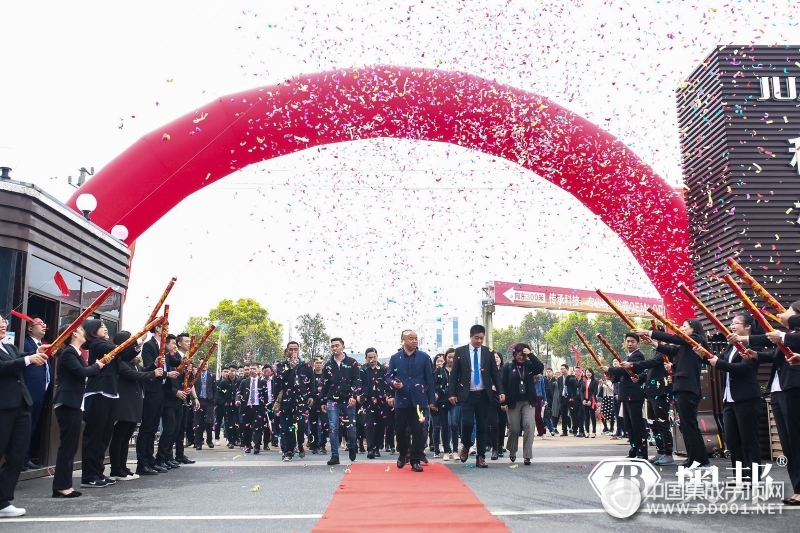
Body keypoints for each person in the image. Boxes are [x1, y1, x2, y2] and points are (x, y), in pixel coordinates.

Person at [740, 308, 800, 504]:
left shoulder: (792, 336)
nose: (782, 314)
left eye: (789, 311)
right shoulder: (788, 337)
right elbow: (774, 354)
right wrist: (755, 355)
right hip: (778, 390)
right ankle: (798, 488)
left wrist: (782, 334)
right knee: (789, 443)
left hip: (793, 389)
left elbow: (778, 338)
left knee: (796, 440)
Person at [633, 320, 711, 470]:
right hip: (682, 387)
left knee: (690, 426)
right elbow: (671, 349)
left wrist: (648, 332)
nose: (681, 328)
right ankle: (699, 460)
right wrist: (654, 344)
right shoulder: (686, 345)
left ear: (694, 329)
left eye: (684, 326)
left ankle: (698, 461)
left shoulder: (695, 339)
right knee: (688, 426)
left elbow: (675, 340)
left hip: (688, 388)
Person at [703, 312, 766, 484]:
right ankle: (739, 475)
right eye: (731, 323)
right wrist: (703, 353)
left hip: (746, 398)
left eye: (736, 323)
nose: (732, 326)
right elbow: (717, 360)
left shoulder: (754, 346)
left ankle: (753, 477)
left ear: (748, 327)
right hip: (729, 399)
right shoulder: (731, 346)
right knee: (733, 440)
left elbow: (743, 368)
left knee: (748, 440)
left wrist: (719, 363)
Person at [0, 317, 48, 517]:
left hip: (21, 405)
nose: (3, 324)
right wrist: (29, 359)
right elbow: (6, 366)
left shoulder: (9, 347)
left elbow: (20, 356)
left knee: (17, 454)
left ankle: (3, 501)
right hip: (3, 406)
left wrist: (37, 353)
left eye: (3, 321)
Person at [51, 325, 104, 497]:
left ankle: (64, 485)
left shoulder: (75, 353)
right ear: (74, 333)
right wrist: (98, 366)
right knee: (67, 447)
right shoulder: (68, 353)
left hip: (73, 403)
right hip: (67, 403)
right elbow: (82, 372)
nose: (84, 334)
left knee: (71, 446)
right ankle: (61, 486)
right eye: (81, 330)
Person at [448, 325, 505, 468]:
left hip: (484, 395)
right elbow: (454, 374)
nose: (479, 341)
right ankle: (466, 445)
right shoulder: (460, 351)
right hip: (467, 395)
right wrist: (452, 393)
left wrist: (500, 390)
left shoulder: (488, 352)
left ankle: (481, 457)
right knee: (466, 423)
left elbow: (495, 374)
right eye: (476, 338)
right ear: (471, 336)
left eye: (481, 338)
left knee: (482, 426)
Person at [109, 332, 161, 480]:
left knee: (126, 437)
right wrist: (153, 374)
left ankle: (122, 467)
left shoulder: (133, 361)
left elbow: (141, 371)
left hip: (134, 403)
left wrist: (153, 366)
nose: (133, 345)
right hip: (124, 403)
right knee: (119, 436)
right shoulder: (120, 360)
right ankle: (115, 468)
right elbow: (132, 375)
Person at [81, 319, 122, 488]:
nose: (105, 329)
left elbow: (124, 354)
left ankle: (98, 472)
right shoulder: (97, 344)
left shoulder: (106, 345)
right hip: (98, 392)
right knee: (95, 436)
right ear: (92, 331)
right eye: (102, 327)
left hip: (110, 392)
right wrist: (135, 341)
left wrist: (137, 345)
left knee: (104, 437)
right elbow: (118, 349)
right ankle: (89, 475)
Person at [386, 330, 435, 472]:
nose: (414, 341)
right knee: (400, 430)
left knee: (419, 430)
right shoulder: (395, 358)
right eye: (411, 339)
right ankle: (402, 453)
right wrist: (393, 383)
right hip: (401, 399)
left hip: (419, 400)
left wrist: (431, 399)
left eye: (416, 339)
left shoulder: (424, 357)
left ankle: (415, 459)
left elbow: (429, 380)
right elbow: (388, 376)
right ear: (403, 340)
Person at [603, 333, 647, 459]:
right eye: (628, 341)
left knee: (637, 425)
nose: (629, 344)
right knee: (629, 426)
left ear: (638, 343)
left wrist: (610, 369)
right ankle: (634, 450)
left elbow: (626, 371)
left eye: (632, 341)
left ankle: (642, 452)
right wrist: (612, 377)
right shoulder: (626, 356)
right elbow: (623, 375)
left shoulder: (638, 355)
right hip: (625, 395)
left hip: (634, 395)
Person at [136, 322, 170, 476]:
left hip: (161, 389)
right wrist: (156, 365)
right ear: (157, 328)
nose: (167, 330)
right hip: (151, 390)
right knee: (147, 427)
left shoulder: (163, 346)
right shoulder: (149, 345)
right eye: (165, 326)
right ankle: (142, 463)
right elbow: (149, 367)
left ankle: (150, 460)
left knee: (154, 427)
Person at [501, 343, 544, 465]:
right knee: (514, 428)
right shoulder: (508, 366)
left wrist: (530, 355)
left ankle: (527, 455)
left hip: (528, 401)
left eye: (524, 355)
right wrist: (503, 402)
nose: (521, 357)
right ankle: (512, 450)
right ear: (515, 354)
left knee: (529, 426)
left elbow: (540, 367)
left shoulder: (529, 365)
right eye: (519, 354)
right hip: (513, 401)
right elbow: (502, 384)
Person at [321, 337, 361, 465]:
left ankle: (351, 444)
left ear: (343, 347)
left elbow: (357, 381)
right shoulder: (328, 365)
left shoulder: (352, 363)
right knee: (333, 427)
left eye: (337, 345)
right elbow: (324, 385)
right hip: (333, 400)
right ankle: (334, 455)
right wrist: (323, 401)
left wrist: (354, 396)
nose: (334, 348)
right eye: (332, 346)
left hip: (348, 399)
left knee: (351, 428)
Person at [22, 315, 51, 471]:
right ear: (30, 328)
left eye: (44, 323)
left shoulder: (42, 345)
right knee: (25, 427)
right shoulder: (25, 343)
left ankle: (27, 457)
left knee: (33, 426)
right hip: (29, 391)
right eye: (40, 323)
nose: (44, 326)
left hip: (41, 392)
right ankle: (22, 459)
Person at [274, 342, 311, 461]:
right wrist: (290, 368)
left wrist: (312, 396)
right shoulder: (281, 366)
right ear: (287, 351)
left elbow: (311, 383)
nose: (293, 352)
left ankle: (300, 444)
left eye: (296, 349)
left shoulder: (305, 365)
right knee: (287, 426)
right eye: (291, 349)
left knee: (300, 425)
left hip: (301, 400)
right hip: (286, 400)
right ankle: (288, 451)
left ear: (299, 351)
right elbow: (278, 382)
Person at [155, 334, 185, 470]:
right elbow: (164, 384)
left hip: (178, 400)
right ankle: (161, 458)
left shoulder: (173, 359)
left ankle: (168, 456)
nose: (174, 346)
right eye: (172, 343)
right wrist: (175, 392)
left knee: (175, 430)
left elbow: (180, 376)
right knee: (168, 430)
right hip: (168, 400)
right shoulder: (164, 359)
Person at [361, 348, 387, 459]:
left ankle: (377, 447)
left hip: (381, 402)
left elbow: (387, 384)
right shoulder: (362, 370)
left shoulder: (383, 370)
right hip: (367, 402)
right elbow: (358, 384)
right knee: (370, 425)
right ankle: (370, 449)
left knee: (380, 425)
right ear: (366, 358)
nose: (372, 360)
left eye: (374, 357)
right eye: (370, 357)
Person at [236, 364, 269, 454]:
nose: (252, 371)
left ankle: (257, 446)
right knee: (246, 428)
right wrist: (238, 400)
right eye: (251, 369)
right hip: (247, 407)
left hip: (258, 407)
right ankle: (247, 445)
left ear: (258, 370)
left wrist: (265, 407)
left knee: (258, 428)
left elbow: (265, 397)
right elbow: (239, 393)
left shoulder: (262, 383)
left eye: (254, 369)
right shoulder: (244, 382)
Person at [192, 357, 216, 450]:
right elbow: (191, 387)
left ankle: (209, 440)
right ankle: (198, 443)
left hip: (209, 401)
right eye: (202, 364)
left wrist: (214, 402)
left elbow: (215, 389)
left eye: (206, 364)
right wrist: (194, 400)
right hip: (198, 401)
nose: (204, 366)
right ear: (199, 365)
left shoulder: (212, 375)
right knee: (198, 423)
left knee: (208, 421)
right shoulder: (195, 375)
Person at [487, 352, 507, 460]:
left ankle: (500, 446)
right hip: (491, 400)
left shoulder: (505, 370)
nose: (496, 359)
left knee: (502, 424)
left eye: (497, 357)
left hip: (503, 400)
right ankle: (494, 448)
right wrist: (491, 387)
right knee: (494, 424)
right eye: (493, 358)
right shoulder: (488, 371)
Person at [308, 358, 329, 454]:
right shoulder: (310, 374)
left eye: (320, 363)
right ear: (314, 364)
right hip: (313, 403)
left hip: (323, 403)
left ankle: (323, 445)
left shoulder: (326, 374)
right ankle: (314, 444)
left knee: (325, 424)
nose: (318, 365)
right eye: (317, 363)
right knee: (313, 426)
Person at [219, 366, 239, 448]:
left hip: (236, 406)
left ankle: (235, 439)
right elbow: (220, 393)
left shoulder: (239, 381)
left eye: (234, 371)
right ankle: (230, 441)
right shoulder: (224, 382)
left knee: (236, 423)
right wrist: (224, 402)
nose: (232, 372)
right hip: (227, 406)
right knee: (228, 423)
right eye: (231, 371)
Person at [580, 368, 599, 438]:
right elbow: (581, 391)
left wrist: (590, 400)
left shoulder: (595, 382)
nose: (588, 374)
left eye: (589, 372)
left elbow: (595, 392)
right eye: (587, 372)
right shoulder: (583, 381)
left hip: (592, 400)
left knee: (592, 416)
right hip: (585, 400)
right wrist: (583, 400)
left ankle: (594, 431)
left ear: (592, 373)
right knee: (586, 416)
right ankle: (587, 431)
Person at [214, 367, 228, 446]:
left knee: (228, 422)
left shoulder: (229, 382)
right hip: (219, 406)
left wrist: (227, 402)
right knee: (218, 422)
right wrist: (222, 402)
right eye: (224, 371)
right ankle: (217, 438)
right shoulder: (217, 382)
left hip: (228, 406)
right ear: (221, 372)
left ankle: (228, 438)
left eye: (227, 372)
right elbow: (217, 394)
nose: (226, 373)